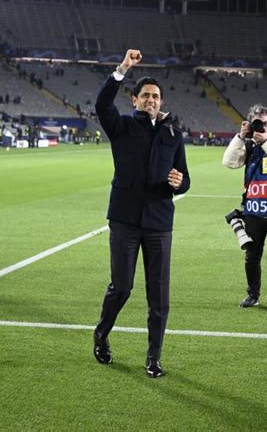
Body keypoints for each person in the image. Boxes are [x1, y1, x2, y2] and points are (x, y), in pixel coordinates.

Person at [93, 49, 190, 378]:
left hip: (160, 224)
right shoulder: (120, 126)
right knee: (121, 287)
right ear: (134, 100)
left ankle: (153, 358)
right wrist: (122, 69)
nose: (152, 99)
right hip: (124, 220)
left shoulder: (174, 135)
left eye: (156, 96)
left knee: (159, 296)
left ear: (161, 102)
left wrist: (179, 182)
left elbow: (184, 178)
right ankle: (101, 334)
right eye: (146, 95)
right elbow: (101, 105)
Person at [222, 104, 267, 313]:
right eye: (258, 124)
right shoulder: (249, 145)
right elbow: (228, 162)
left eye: (265, 123)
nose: (262, 127)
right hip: (255, 209)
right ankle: (253, 295)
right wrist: (240, 136)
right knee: (252, 256)